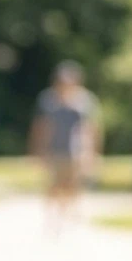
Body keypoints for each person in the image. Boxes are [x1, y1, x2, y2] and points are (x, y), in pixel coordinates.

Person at [30, 60, 102, 230]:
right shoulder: (48, 100)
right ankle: (52, 216)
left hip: (77, 150)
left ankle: (68, 212)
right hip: (54, 149)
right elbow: (41, 126)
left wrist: (92, 151)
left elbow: (91, 128)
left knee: (73, 183)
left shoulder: (85, 101)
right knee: (53, 183)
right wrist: (37, 149)